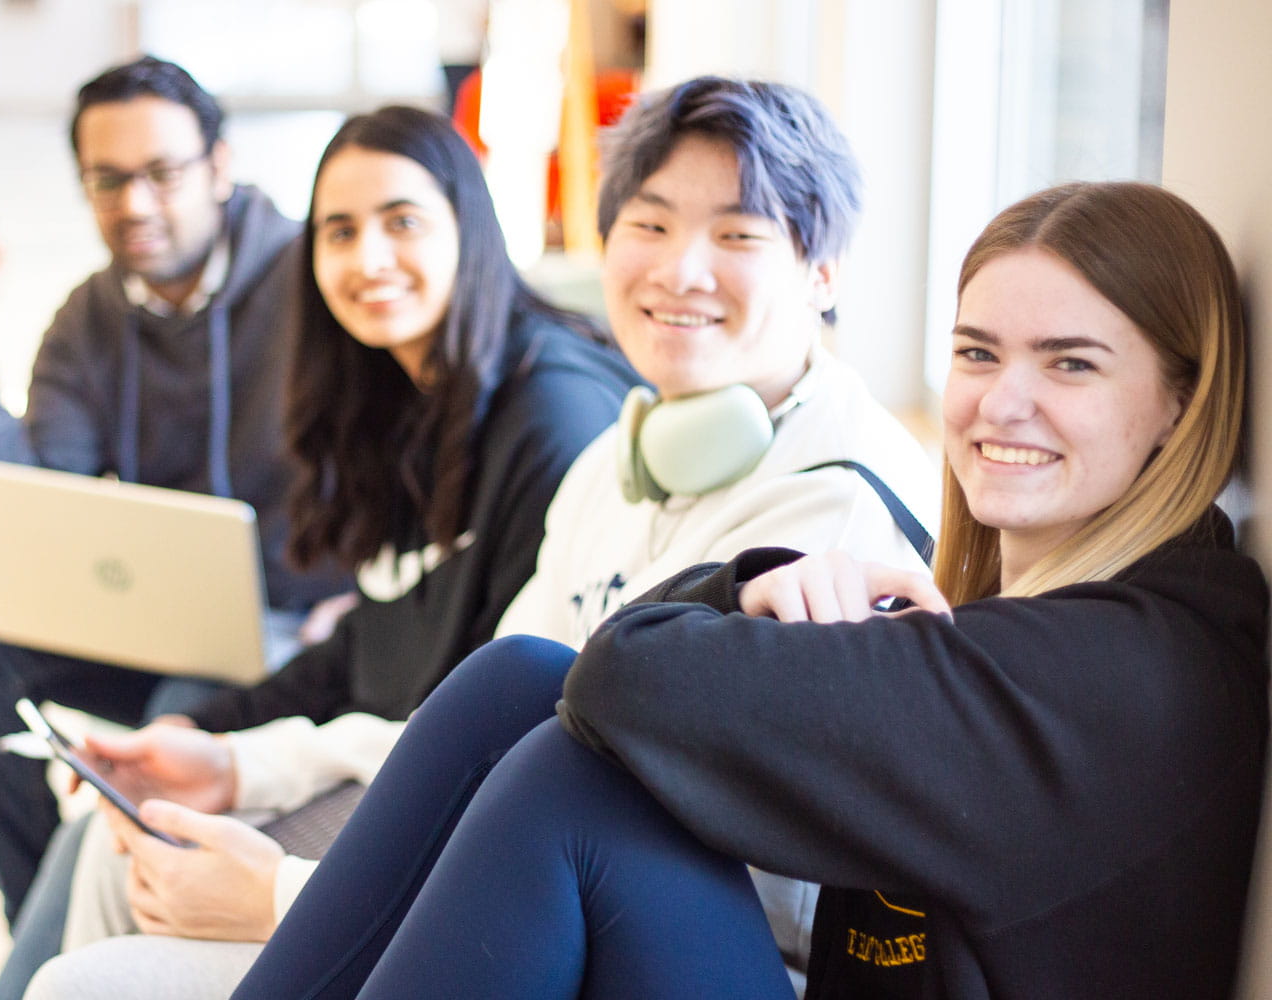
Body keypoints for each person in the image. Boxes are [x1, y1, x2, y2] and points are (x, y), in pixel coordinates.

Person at [234, 179, 1264, 999]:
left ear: (1180, 400)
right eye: (975, 352)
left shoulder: (1107, 669)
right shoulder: (1069, 620)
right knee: (515, 682)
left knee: (571, 780)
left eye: (1070, 364)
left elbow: (624, 682)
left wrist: (740, 592)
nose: (1001, 400)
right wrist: (762, 591)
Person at [28, 78, 937, 999]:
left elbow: (647, 848)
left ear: (823, 273)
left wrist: (279, 894)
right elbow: (469, 739)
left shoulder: (829, 518)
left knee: (90, 982)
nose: (680, 270)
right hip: (532, 893)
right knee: (124, 851)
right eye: (651, 226)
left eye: (737, 235)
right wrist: (240, 762)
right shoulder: (623, 460)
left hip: (666, 950)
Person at [0, 54, 349, 933]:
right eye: (108, 180)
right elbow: (25, 529)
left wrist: (369, 591)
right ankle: (37, 919)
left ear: (221, 166)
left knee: (172, 728)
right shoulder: (90, 318)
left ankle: (89, 940)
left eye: (163, 173)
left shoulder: (314, 279)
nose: (136, 204)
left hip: (304, 622)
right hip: (166, 613)